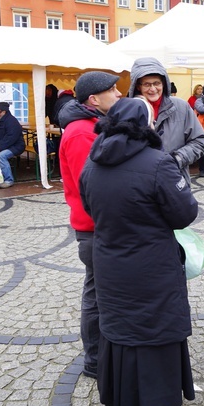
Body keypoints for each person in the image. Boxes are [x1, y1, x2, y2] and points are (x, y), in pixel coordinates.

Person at [79, 97, 198, 406]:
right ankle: (151, 404)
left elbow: (90, 208)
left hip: (110, 263)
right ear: (145, 125)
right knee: (151, 330)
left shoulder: (93, 161)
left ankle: (121, 400)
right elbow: (184, 214)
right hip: (151, 266)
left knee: (119, 330)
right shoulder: (158, 163)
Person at [59, 71, 122, 380]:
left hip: (97, 226)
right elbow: (94, 188)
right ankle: (96, 359)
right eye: (113, 90)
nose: (120, 93)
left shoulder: (91, 126)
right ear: (94, 100)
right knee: (97, 295)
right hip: (94, 228)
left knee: (97, 291)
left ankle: (100, 355)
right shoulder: (82, 132)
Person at [127, 57, 204, 185]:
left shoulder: (181, 107)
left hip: (175, 181)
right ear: (137, 86)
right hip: (139, 184)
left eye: (157, 83)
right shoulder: (127, 111)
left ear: (164, 83)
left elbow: (200, 140)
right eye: (147, 84)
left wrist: (177, 159)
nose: (153, 89)